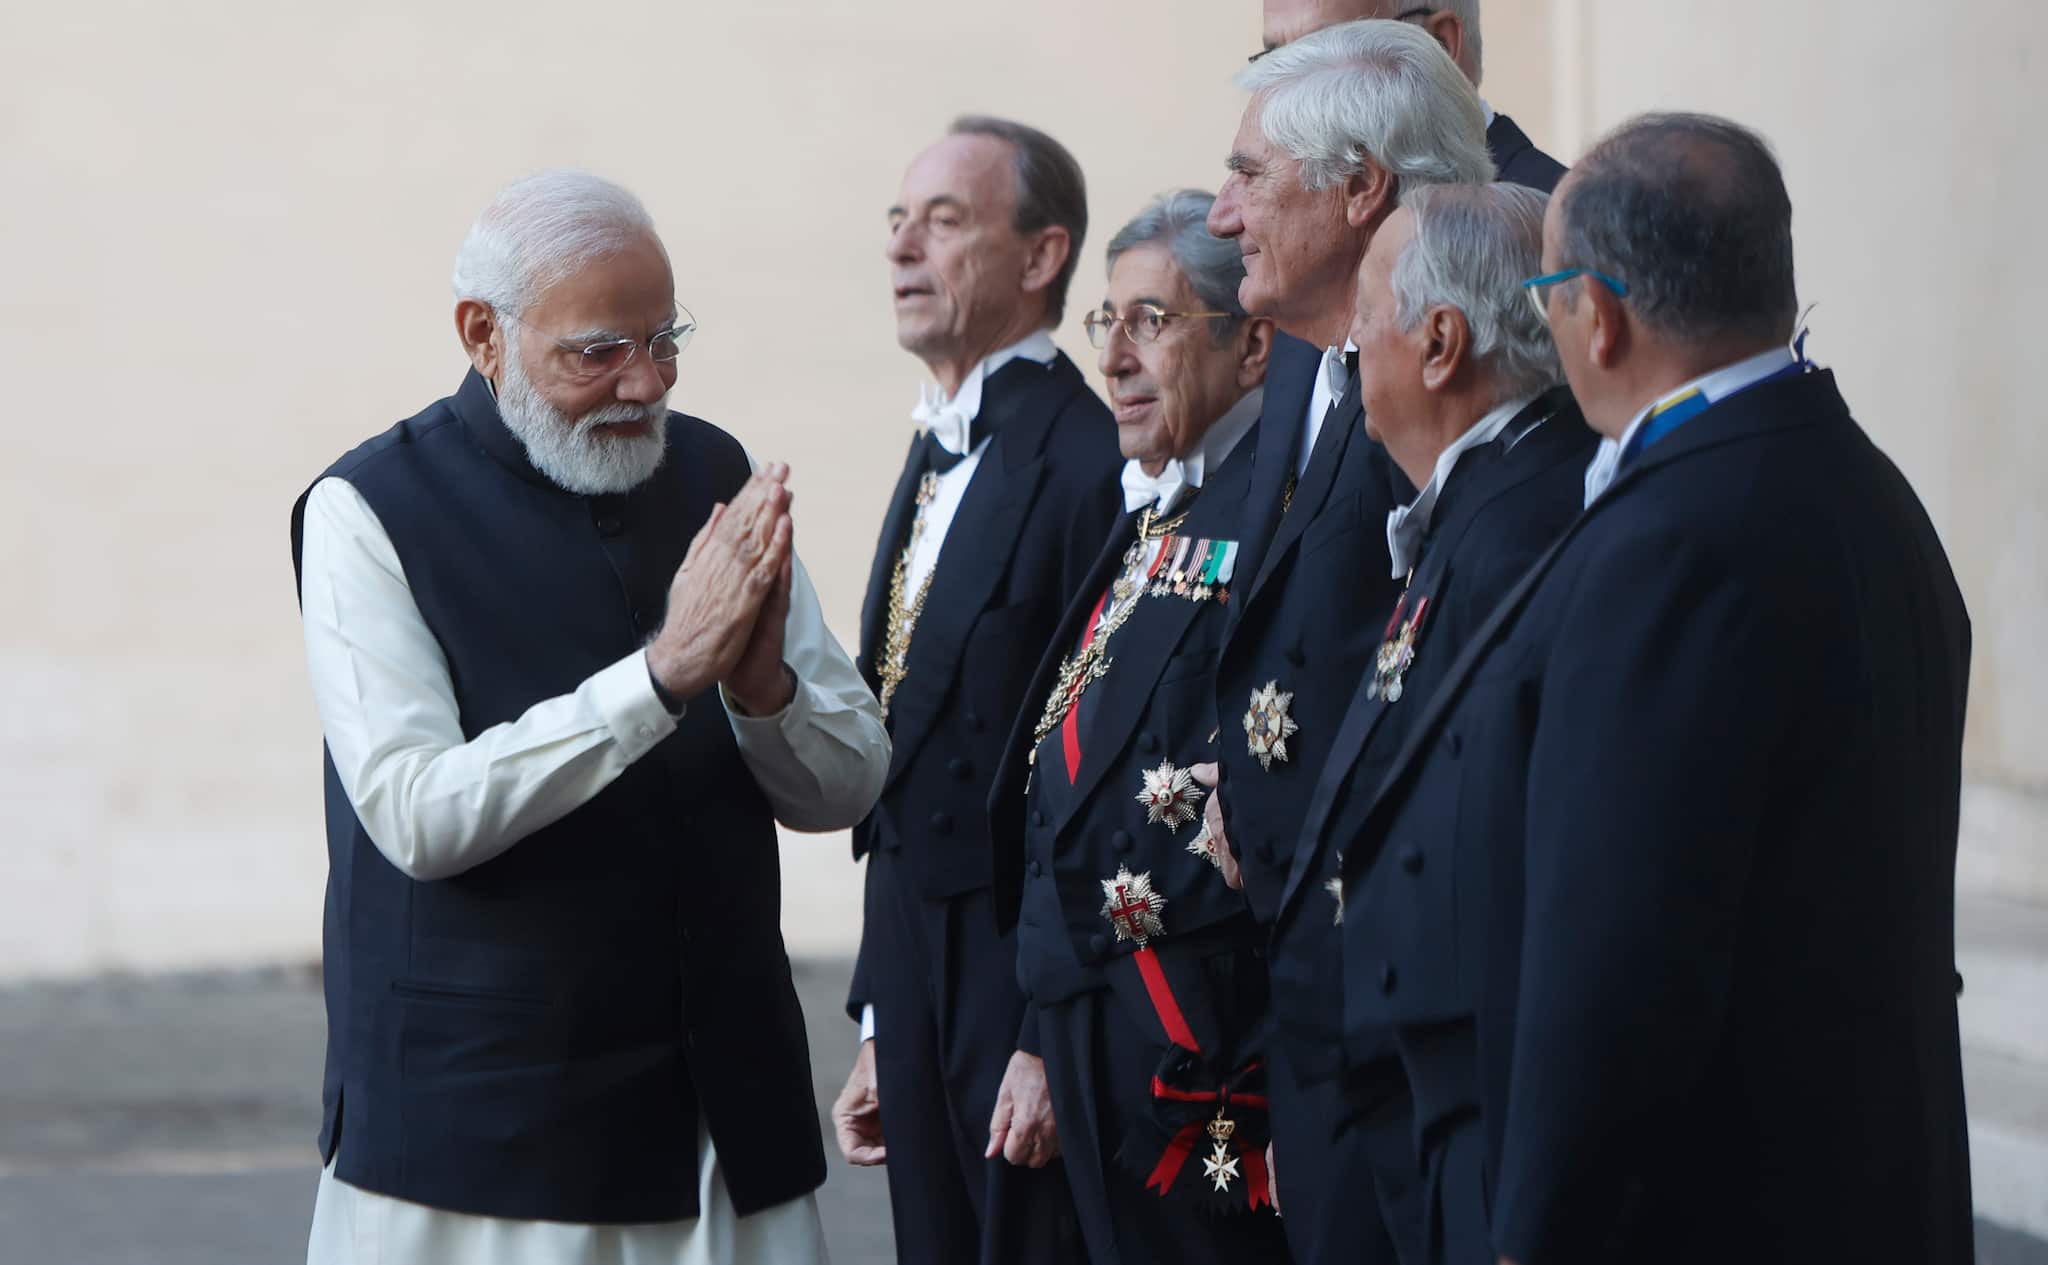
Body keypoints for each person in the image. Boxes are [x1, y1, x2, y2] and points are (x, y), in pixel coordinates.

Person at [1340, 113, 1974, 1264]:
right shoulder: (1860, 483)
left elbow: (1617, 963)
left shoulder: (1670, 540)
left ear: (1597, 311)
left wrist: (1533, 1232)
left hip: (1709, 1208)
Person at [290, 170, 889, 1265]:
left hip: (722, 1126)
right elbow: (417, 812)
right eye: (599, 350)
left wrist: (765, 692)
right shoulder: (365, 510)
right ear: (483, 335)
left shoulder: (716, 473)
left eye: (666, 342)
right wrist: (657, 678)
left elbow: (848, 783)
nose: (645, 381)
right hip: (480, 1145)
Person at [1197, 19, 1491, 1261]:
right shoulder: (1312, 374)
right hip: (1303, 982)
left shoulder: (1445, 379)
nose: (1219, 216)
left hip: (1393, 1002)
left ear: (1360, 186)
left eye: (1249, 176)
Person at [1268, 182, 1592, 1265]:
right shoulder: (1482, 505)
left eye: (1366, 309)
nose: (1350, 341)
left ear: (1439, 341)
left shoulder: (1516, 531)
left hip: (1450, 1126)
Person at [831, 115, 1120, 1265]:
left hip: (1018, 972)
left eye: (942, 222)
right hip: (914, 963)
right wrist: (874, 1009)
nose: (903, 247)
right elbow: (905, 735)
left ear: (1040, 255)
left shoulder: (1088, 462)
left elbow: (1089, 769)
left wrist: (1050, 1031)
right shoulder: (935, 441)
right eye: (897, 222)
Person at [986, 190, 1284, 1265]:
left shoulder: (1273, 513)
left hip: (1195, 1036)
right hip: (1096, 1013)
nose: (1114, 355)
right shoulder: (1159, 506)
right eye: (1104, 322)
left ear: (1251, 343)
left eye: (1149, 321)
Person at [1257, 0, 1567, 193]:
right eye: (1276, 60)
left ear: (1440, 46)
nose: (1287, 90)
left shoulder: (1553, 224)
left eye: (1321, 54)